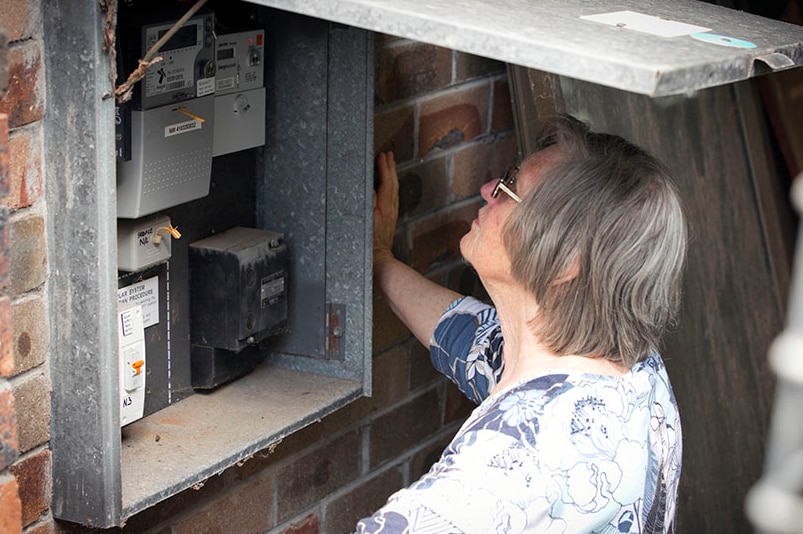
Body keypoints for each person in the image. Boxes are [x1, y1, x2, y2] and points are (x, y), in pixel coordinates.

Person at [357, 114, 686, 534]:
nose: (487, 190)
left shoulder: (508, 467)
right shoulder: (638, 373)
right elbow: (469, 338)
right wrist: (380, 256)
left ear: (566, 261)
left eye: (509, 188)